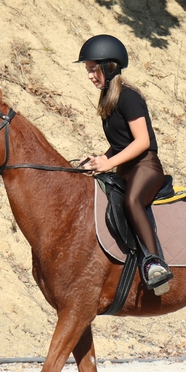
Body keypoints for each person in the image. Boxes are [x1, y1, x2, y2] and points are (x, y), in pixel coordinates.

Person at [76, 34, 173, 295]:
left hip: (145, 167)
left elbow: (141, 142)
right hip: (126, 167)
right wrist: (100, 160)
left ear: (109, 67)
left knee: (131, 201)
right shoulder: (108, 97)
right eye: (87, 70)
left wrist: (109, 164)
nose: (90, 76)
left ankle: (155, 262)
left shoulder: (129, 97)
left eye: (93, 69)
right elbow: (120, 144)